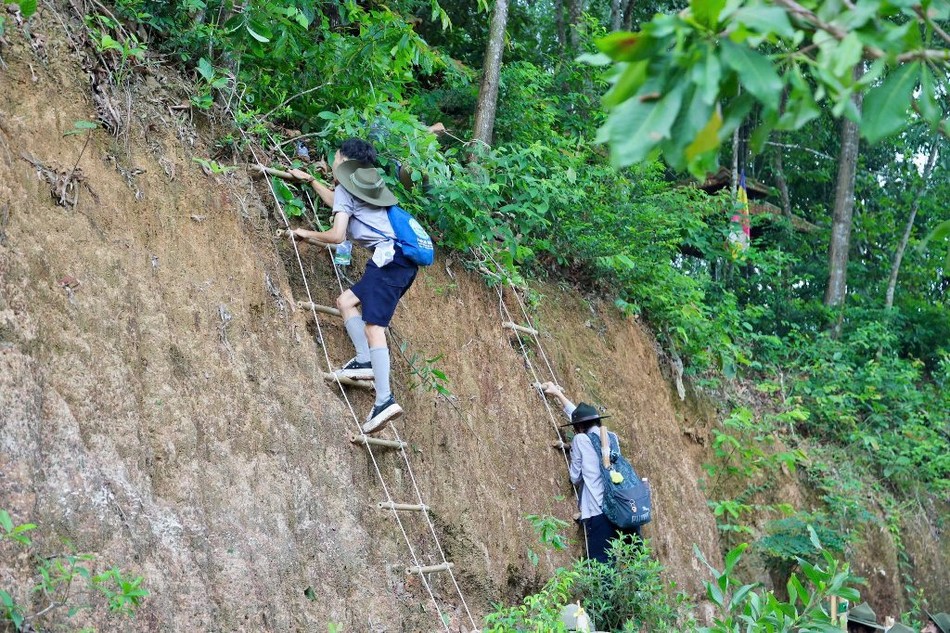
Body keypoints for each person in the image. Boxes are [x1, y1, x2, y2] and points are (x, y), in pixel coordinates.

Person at [287, 138, 417, 434]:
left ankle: (384, 399)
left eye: (335, 155)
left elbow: (336, 235)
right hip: (399, 263)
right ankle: (362, 361)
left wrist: (303, 233)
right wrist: (310, 181)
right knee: (346, 302)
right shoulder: (366, 186)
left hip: (388, 261)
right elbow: (338, 203)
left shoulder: (348, 187)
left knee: (374, 328)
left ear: (342, 159)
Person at [539, 382, 641, 565]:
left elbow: (575, 477)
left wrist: (570, 450)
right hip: (624, 509)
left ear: (578, 428)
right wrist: (558, 395)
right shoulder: (611, 438)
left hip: (599, 513)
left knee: (601, 565)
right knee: (635, 561)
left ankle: (603, 595)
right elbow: (583, 420)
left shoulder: (580, 439)